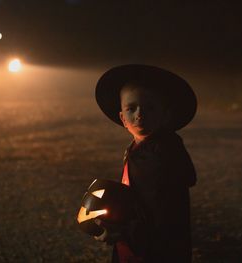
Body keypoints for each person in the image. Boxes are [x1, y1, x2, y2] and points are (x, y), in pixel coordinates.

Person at [94, 64, 197, 263]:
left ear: (166, 114)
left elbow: (162, 214)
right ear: (123, 118)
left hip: (155, 251)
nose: (140, 114)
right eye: (131, 108)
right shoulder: (140, 148)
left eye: (150, 107)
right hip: (137, 247)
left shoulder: (161, 155)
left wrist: (122, 231)